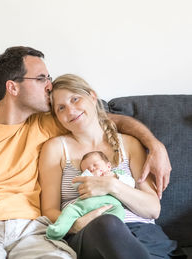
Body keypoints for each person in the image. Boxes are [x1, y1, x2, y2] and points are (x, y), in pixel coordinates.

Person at [0, 46, 171, 258]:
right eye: (42, 79)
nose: (50, 86)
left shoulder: (51, 121)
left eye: (49, 78)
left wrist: (155, 145)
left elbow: (108, 120)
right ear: (12, 88)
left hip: (35, 233)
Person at [39, 74, 178, 258]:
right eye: (61, 108)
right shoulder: (55, 148)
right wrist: (75, 224)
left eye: (75, 99)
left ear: (92, 96)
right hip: (90, 234)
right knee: (108, 223)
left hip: (142, 234)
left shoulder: (129, 144)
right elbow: (48, 210)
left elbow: (153, 209)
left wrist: (111, 185)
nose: (70, 111)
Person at [46, 151, 135, 240]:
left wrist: (115, 177)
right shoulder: (86, 177)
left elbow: (131, 184)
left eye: (95, 165)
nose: (92, 169)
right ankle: (58, 230)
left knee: (119, 213)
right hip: (86, 205)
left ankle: (115, 232)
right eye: (87, 169)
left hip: (111, 205)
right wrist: (91, 176)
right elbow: (76, 185)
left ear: (108, 166)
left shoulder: (118, 174)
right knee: (70, 210)